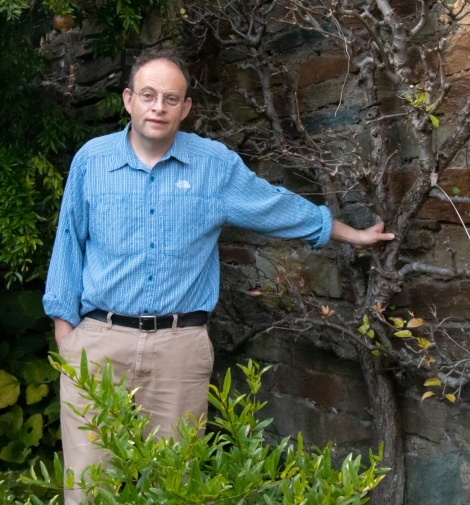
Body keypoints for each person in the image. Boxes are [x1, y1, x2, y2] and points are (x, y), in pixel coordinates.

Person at [43, 47, 394, 503]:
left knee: (176, 488)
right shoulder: (92, 161)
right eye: (148, 95)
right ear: (128, 99)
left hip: (178, 351)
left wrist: (349, 234)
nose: (158, 107)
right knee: (89, 491)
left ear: (186, 108)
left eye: (171, 98)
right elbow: (68, 245)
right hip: (98, 345)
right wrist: (67, 339)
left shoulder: (214, 166)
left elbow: (275, 206)